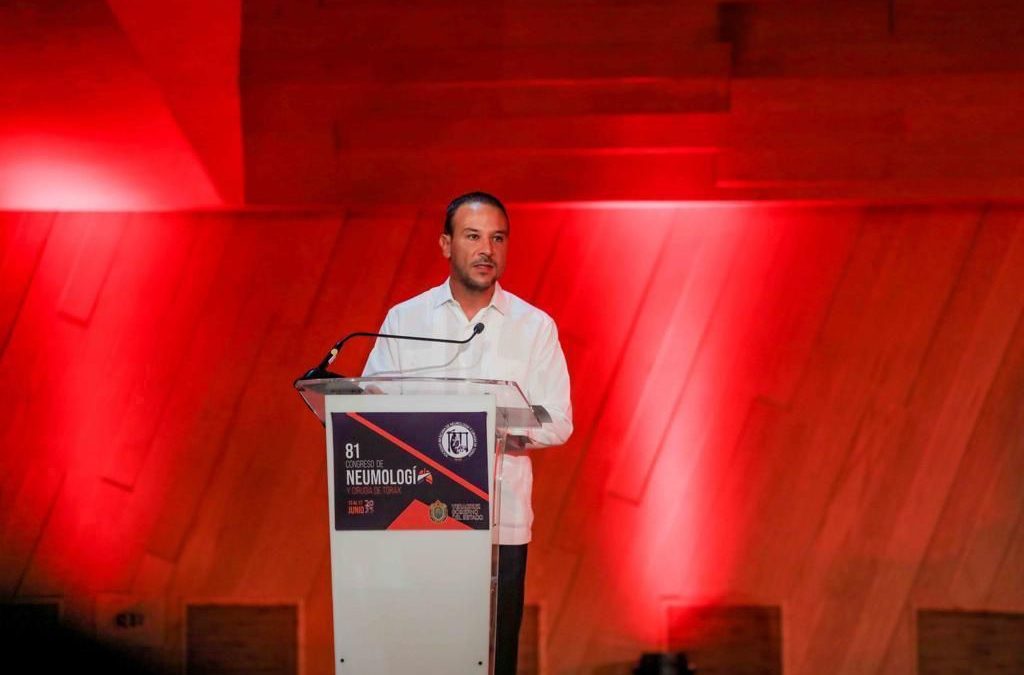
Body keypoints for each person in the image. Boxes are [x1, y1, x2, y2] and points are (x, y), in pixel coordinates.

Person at [362, 191, 572, 675]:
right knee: (422, 659)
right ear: (445, 244)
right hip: (417, 517)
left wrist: (486, 424)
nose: (486, 250)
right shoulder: (406, 319)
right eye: (473, 236)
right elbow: (371, 406)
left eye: (498, 239)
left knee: (494, 658)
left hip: (501, 523)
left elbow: (559, 420)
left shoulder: (534, 326)